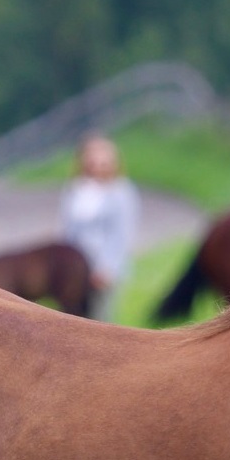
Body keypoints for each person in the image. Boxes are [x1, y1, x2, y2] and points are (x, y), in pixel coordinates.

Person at [60, 134, 139, 321]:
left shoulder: (120, 192)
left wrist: (106, 267)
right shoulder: (76, 189)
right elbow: (69, 229)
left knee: (100, 318)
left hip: (103, 268)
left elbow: (121, 233)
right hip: (78, 265)